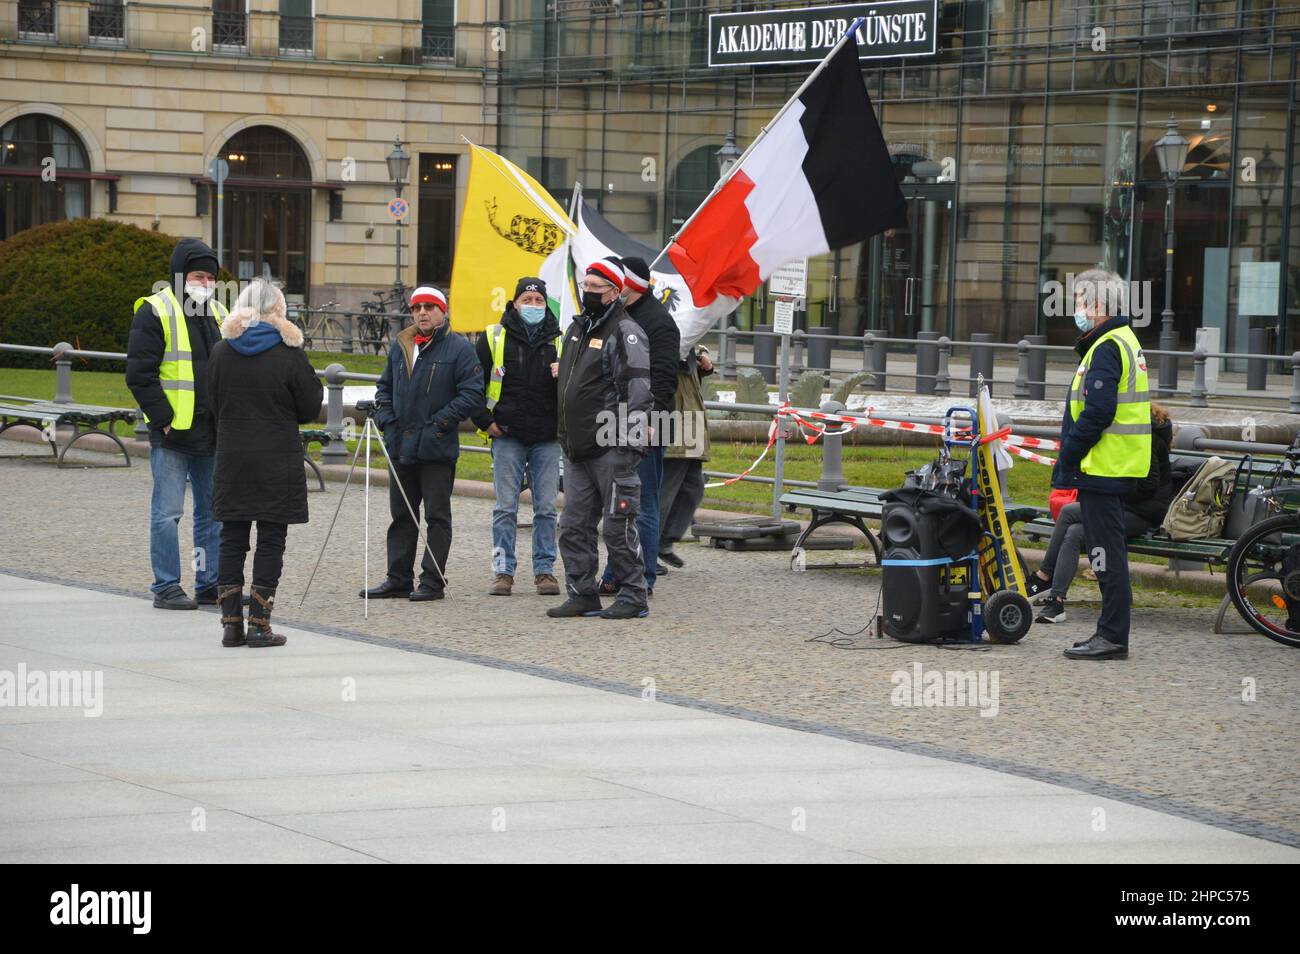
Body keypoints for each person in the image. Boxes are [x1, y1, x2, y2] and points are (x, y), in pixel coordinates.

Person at [207, 279, 324, 648]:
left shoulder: (221, 352)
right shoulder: (289, 354)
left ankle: (230, 625)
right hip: (277, 460)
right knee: (271, 539)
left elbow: (212, 402)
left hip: (232, 458)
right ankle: (259, 624)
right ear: (278, 311)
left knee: (232, 538)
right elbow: (309, 407)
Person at [1052, 267, 1151, 660]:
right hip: (1114, 467)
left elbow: (1099, 411)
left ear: (1095, 305)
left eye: (1078, 300)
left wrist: (1071, 453)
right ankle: (1108, 633)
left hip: (1105, 468)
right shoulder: (1122, 339)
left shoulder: (1107, 345)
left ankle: (1112, 636)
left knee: (1106, 556)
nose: (1075, 307)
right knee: (1106, 553)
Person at [361, 286, 484, 602]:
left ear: (443, 311)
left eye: (430, 307)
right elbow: (384, 387)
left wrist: (439, 425)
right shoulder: (401, 344)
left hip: (436, 447)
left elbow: (471, 394)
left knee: (437, 517)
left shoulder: (459, 349)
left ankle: (432, 580)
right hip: (401, 444)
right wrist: (388, 421)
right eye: (417, 308)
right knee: (402, 514)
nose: (423, 313)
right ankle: (397, 578)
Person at [126, 238, 229, 610]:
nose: (204, 283)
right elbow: (139, 374)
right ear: (180, 275)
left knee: (212, 514)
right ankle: (166, 586)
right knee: (168, 514)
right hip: (173, 433)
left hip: (210, 432)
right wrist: (164, 420)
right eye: (198, 276)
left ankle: (209, 584)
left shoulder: (218, 312)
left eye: (210, 278)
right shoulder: (155, 310)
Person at [548, 257, 653, 620]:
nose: (588, 291)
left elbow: (637, 391)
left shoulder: (626, 332)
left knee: (617, 525)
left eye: (596, 287)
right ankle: (582, 592)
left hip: (612, 446)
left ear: (614, 292)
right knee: (573, 525)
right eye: (586, 285)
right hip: (577, 447)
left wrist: (628, 442)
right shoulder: (576, 329)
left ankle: (633, 595)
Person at [1030, 404, 1172, 623]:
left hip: (1141, 514)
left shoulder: (1149, 439)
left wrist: (1113, 492)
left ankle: (1044, 576)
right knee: (1075, 532)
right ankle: (1056, 600)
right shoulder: (1137, 435)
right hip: (1122, 507)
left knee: (1068, 512)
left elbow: (1149, 485)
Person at [470, 276, 563, 597]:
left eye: (539, 301)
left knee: (547, 509)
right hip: (507, 435)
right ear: (514, 304)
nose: (533, 306)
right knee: (505, 508)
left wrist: (564, 375)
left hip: (547, 437)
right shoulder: (494, 337)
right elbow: (471, 386)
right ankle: (503, 571)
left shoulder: (561, 341)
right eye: (527, 300)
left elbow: (578, 389)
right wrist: (486, 422)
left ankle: (545, 571)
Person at [597, 256, 680, 597]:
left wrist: (648, 419)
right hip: (613, 417)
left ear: (628, 285)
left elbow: (663, 378)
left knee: (642, 501)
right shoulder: (616, 316)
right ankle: (616, 569)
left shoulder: (659, 322)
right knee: (619, 501)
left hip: (646, 421)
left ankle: (643, 574)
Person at [658, 345, 714, 569]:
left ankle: (664, 541)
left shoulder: (678, 321)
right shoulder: (657, 322)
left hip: (689, 423)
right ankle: (647, 550)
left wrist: (702, 353)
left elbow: (688, 335)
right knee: (664, 493)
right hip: (673, 422)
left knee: (693, 486)